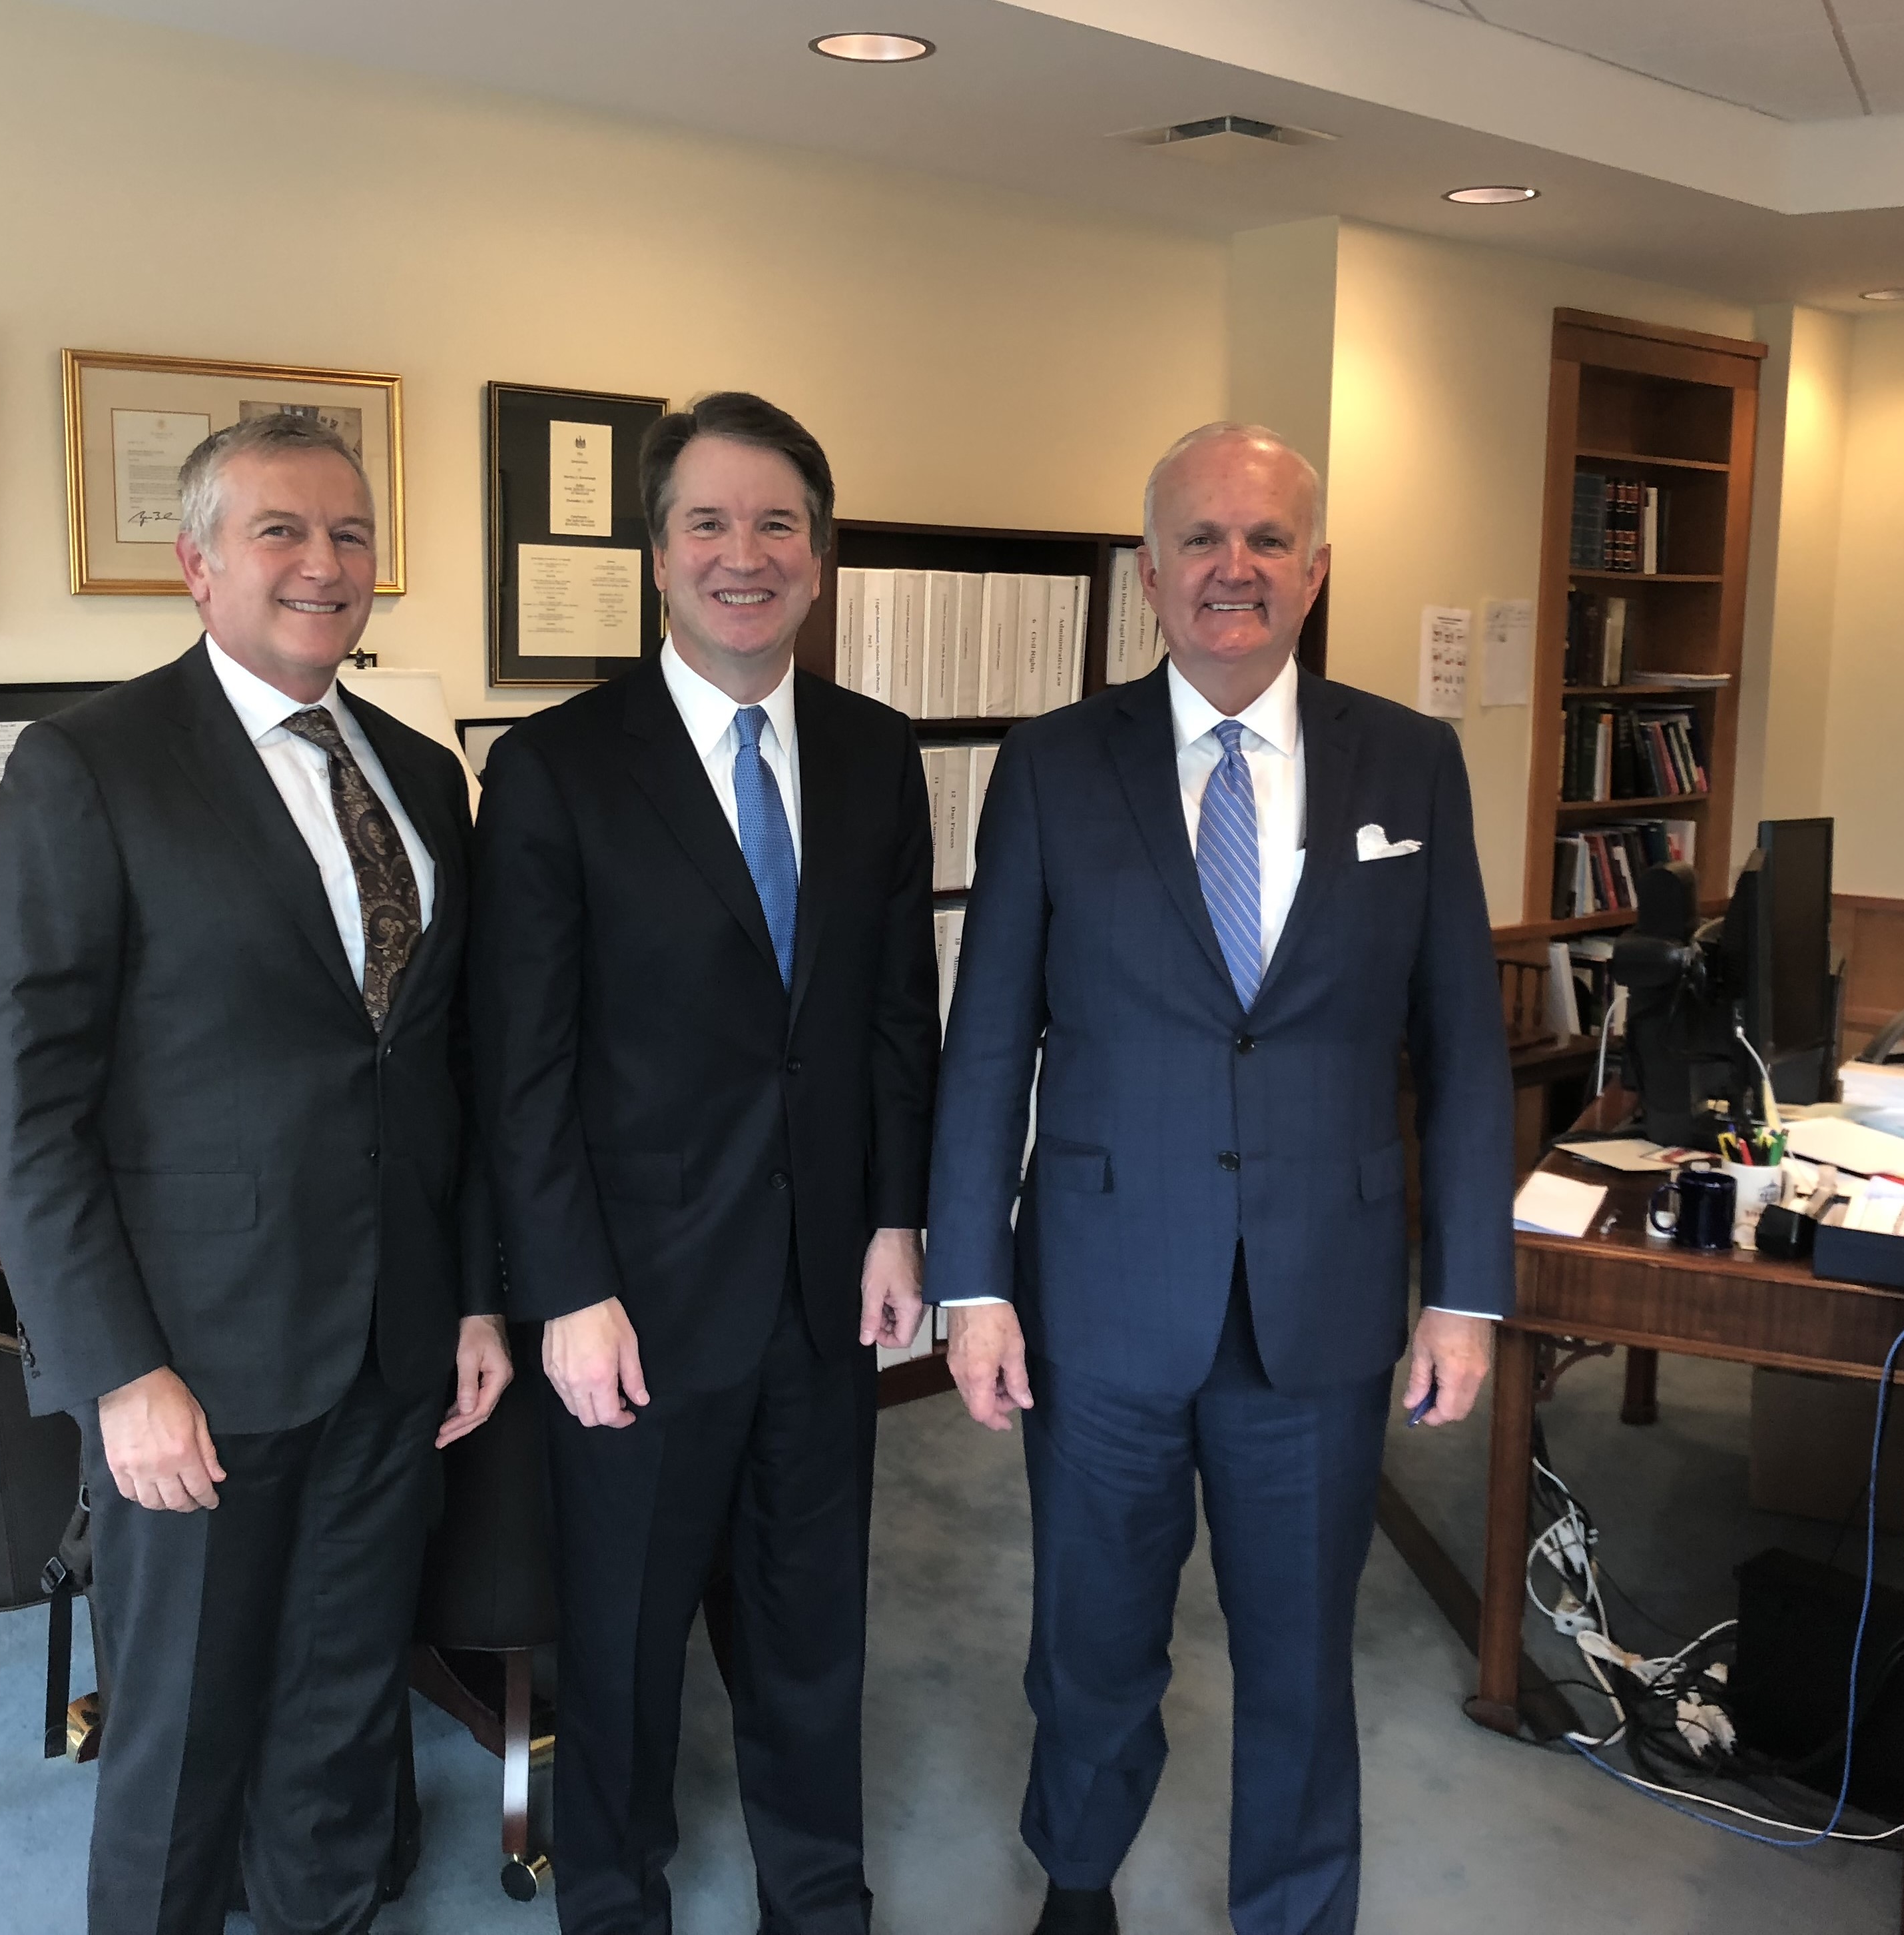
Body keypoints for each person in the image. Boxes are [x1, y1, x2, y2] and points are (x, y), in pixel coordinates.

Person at [926, 422, 1513, 1935]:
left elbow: (1457, 1052)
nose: (1230, 569)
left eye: (1263, 541)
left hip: (1318, 1298)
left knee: (1298, 1649)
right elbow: (988, 1037)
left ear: (1313, 572)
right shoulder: (1055, 767)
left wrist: (1461, 1296)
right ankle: (1075, 1877)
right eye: (1198, 539)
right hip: (1103, 1295)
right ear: (1147, 574)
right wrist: (969, 1282)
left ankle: (1294, 1910)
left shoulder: (1410, 762)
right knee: (1090, 1637)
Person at [0, 412, 511, 1935]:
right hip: (191, 1363)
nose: (323, 564)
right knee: (185, 1726)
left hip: (393, 1347)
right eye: (281, 532)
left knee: (343, 1706)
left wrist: (466, 1300)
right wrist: (114, 1370)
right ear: (196, 567)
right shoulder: (91, 768)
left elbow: (435, 1071)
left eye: (348, 534)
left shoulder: (416, 773)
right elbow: (23, 1103)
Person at [472, 390, 938, 1935]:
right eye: (707, 524)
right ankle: (616, 1900)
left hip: (821, 1291)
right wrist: (566, 1295)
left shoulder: (877, 756)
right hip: (636, 1309)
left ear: (818, 558)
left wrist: (895, 1217)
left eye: (776, 525)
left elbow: (888, 1022)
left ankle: (819, 1897)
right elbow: (519, 1066)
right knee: (620, 1641)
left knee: (813, 1632)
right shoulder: (553, 768)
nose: (744, 554)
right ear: (656, 558)